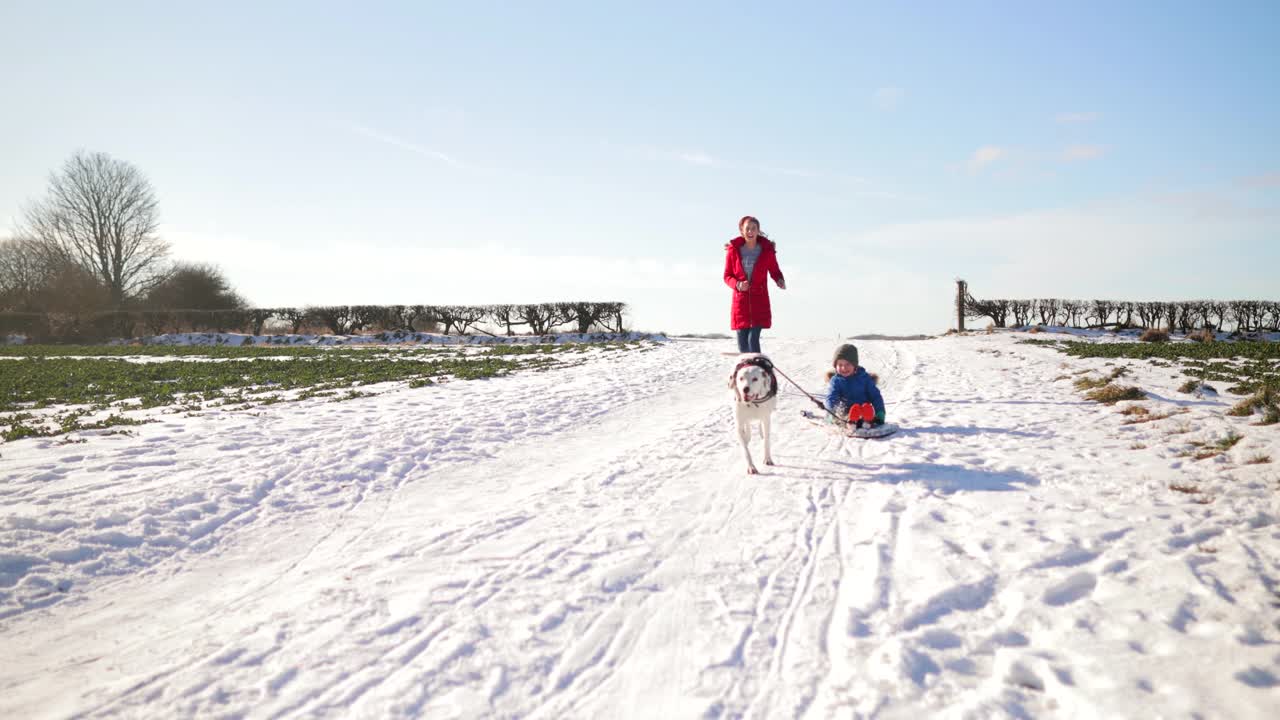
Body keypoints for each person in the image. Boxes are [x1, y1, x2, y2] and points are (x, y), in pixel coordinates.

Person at [723, 215, 785, 353]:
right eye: (747, 229)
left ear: (758, 231)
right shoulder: (733, 251)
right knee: (743, 343)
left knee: (753, 339)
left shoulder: (766, 251)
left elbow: (774, 270)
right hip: (741, 304)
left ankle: (758, 369)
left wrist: (779, 280)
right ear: (742, 231)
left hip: (759, 301)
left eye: (753, 228)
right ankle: (746, 372)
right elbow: (727, 276)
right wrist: (738, 285)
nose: (750, 231)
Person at [825, 343, 886, 427]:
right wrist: (830, 412)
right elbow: (831, 397)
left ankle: (867, 420)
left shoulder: (865, 378)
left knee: (866, 408)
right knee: (847, 414)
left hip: (863, 409)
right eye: (840, 365)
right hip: (846, 412)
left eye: (847, 364)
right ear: (835, 366)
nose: (844, 368)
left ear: (855, 365)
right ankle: (852, 421)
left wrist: (880, 412)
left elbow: (875, 396)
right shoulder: (836, 381)